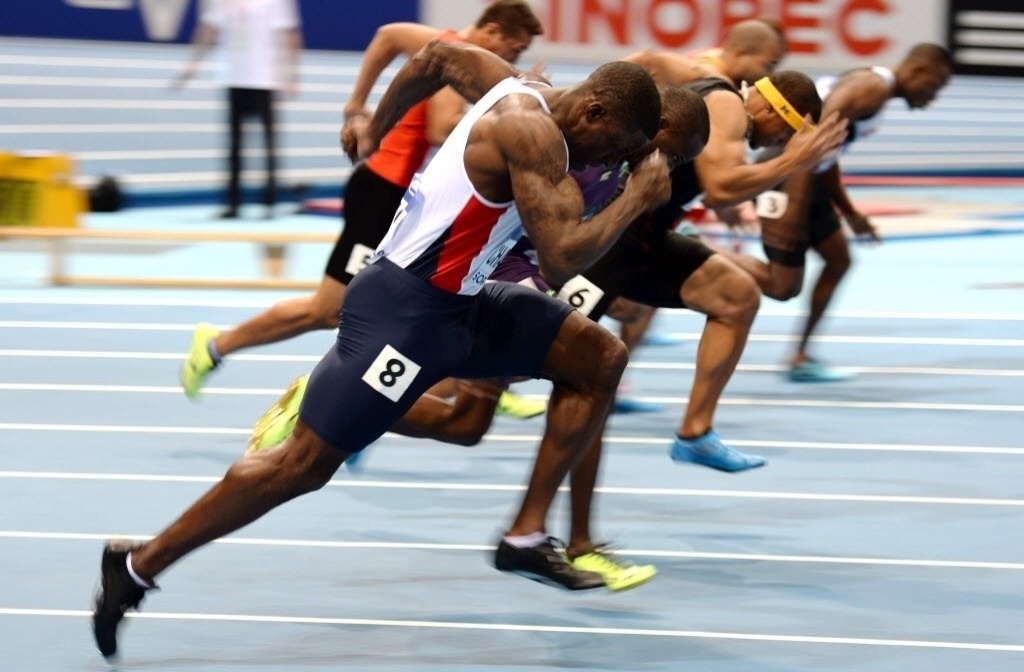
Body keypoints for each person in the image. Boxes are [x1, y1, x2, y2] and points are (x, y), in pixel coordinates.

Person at [91, 40, 673, 659]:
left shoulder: (508, 83)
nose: (607, 162)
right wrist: (637, 196)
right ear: (595, 113)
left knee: (597, 361)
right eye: (612, 148)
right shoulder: (528, 130)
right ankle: (136, 567)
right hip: (403, 312)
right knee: (302, 468)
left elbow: (434, 56)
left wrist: (375, 126)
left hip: (464, 304)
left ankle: (525, 539)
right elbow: (561, 254)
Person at [180, 1, 547, 419]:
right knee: (328, 310)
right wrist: (515, 109)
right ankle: (215, 346)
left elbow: (388, 34)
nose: (512, 58)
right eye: (513, 49)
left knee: (453, 298)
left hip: (407, 198)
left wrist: (357, 103)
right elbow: (439, 128)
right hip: (381, 193)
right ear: (494, 32)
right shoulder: (458, 66)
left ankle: (483, 382)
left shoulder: (442, 43)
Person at [723, 43, 953, 382]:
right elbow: (810, 137)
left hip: (806, 181)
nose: (931, 98)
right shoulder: (871, 88)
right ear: (918, 71)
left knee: (839, 259)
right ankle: (697, 250)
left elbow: (827, 150)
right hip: (784, 177)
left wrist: (849, 211)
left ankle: (800, 357)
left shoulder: (876, 91)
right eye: (934, 87)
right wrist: (793, 211)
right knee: (782, 285)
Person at [176, 0, 302, 219]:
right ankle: (233, 203)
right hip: (234, 77)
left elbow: (289, 34)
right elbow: (208, 29)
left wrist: (292, 74)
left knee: (269, 143)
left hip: (265, 79)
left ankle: (269, 201)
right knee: (234, 145)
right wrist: (193, 62)